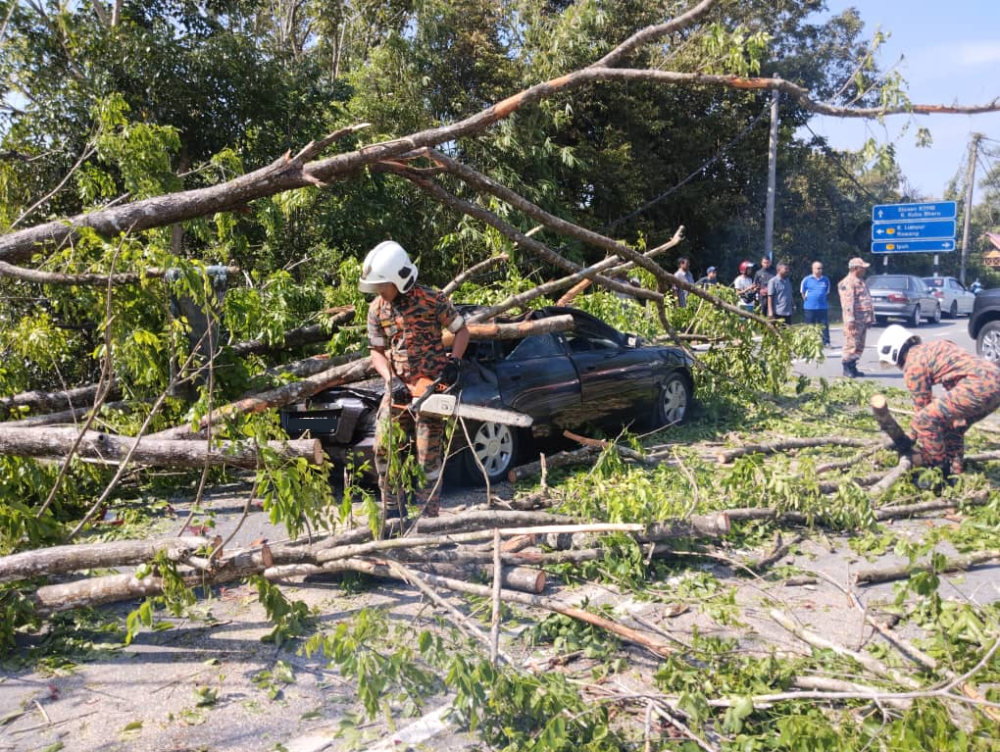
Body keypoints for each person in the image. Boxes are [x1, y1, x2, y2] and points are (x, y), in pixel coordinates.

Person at [362, 240, 470, 518]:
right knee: (384, 449)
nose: (380, 291)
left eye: (383, 285)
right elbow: (376, 351)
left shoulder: (433, 299)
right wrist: (391, 380)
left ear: (400, 278)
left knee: (427, 458)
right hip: (397, 390)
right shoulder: (376, 309)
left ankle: (428, 517)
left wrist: (454, 362)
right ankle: (392, 513)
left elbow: (462, 331)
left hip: (430, 389)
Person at [877, 325, 1000, 476]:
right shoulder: (937, 345)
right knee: (954, 424)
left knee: (924, 420)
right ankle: (956, 472)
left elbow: (922, 411)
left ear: (894, 352)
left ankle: (937, 471)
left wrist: (910, 439)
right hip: (995, 382)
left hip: (979, 385)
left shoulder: (913, 364)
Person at [837, 257, 874, 378]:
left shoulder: (860, 281)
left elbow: (866, 301)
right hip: (854, 320)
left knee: (859, 345)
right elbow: (847, 303)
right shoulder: (848, 283)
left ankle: (853, 367)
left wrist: (870, 318)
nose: (864, 270)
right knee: (851, 344)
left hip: (862, 320)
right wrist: (850, 320)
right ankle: (847, 368)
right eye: (862, 267)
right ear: (855, 268)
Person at [800, 260, 831, 346]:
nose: (820, 270)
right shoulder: (807, 279)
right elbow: (802, 292)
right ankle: (810, 342)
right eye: (818, 268)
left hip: (822, 307)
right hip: (809, 307)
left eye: (821, 268)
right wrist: (808, 300)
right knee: (810, 326)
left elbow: (826, 292)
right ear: (813, 269)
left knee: (824, 325)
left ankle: (826, 342)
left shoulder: (825, 280)